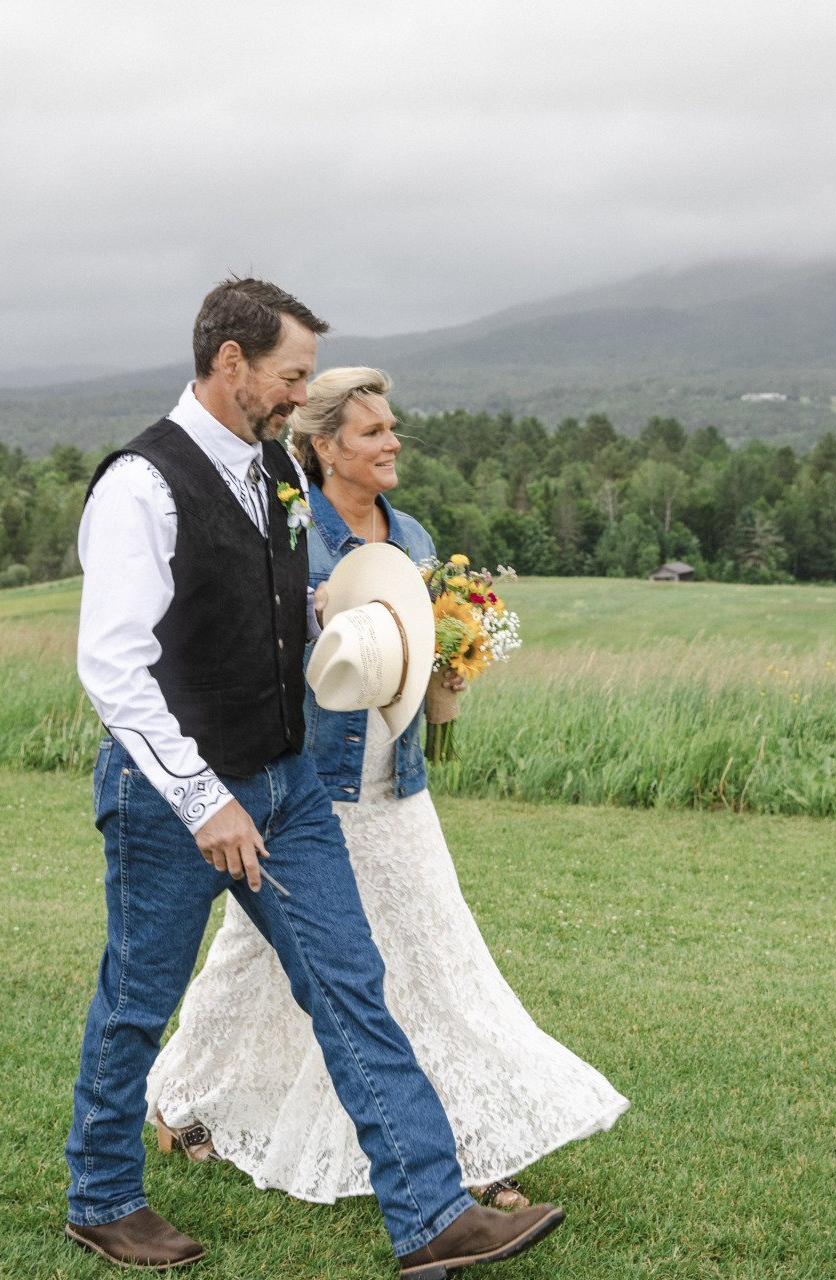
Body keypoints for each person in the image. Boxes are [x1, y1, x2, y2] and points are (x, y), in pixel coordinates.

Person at [66, 278, 563, 1276]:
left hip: (288, 787)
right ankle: (104, 1196)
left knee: (351, 984)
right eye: (291, 375)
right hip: (173, 800)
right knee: (136, 994)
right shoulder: (142, 485)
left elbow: (271, 603)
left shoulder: (271, 475)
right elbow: (112, 666)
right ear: (231, 362)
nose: (300, 395)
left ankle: (429, 1213)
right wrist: (204, 801)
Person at [146, 366, 629, 1206]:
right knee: (253, 956)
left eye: (392, 427)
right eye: (372, 432)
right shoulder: (291, 531)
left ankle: (469, 1146)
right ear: (325, 447)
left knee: (434, 958)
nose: (393, 441)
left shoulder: (412, 535)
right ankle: (176, 1097)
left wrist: (453, 677)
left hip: (397, 783)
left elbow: (430, 652)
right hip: (307, 784)